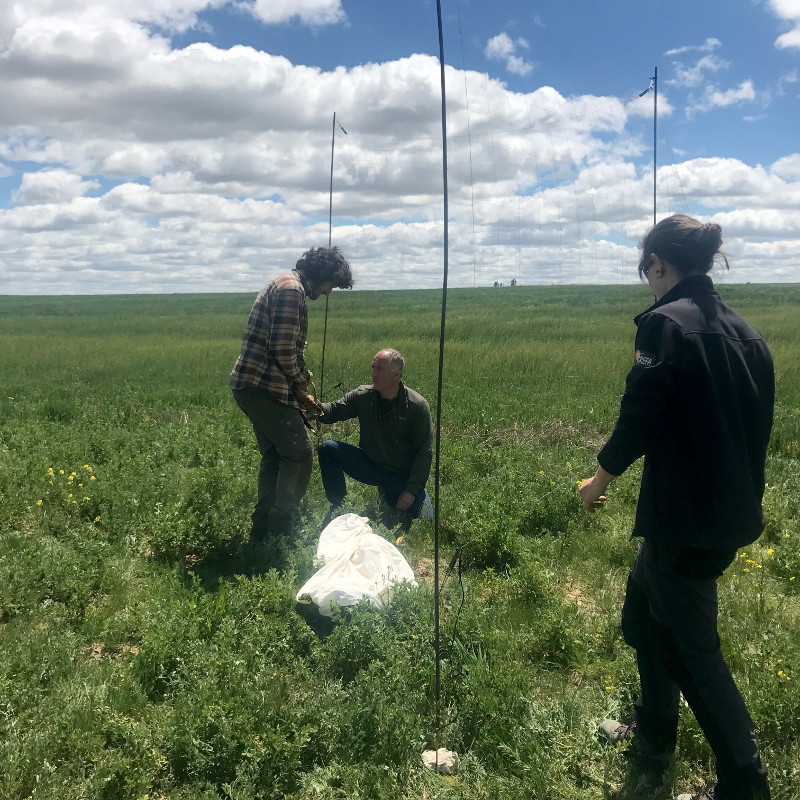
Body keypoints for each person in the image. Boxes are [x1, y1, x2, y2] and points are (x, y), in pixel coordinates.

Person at [578, 215, 774, 800]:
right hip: (722, 516)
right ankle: (656, 734)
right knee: (643, 618)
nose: (648, 283)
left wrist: (599, 478)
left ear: (660, 264)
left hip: (684, 522)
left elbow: (641, 415)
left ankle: (745, 782)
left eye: (646, 271)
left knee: (695, 655)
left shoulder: (665, 325)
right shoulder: (749, 334)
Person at [230, 246, 353, 539]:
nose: (328, 292)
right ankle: (281, 531)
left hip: (257, 385)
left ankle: (262, 530)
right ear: (322, 275)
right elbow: (284, 350)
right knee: (298, 454)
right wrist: (301, 380)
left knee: (276, 454)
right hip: (262, 386)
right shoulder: (292, 290)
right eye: (330, 285)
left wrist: (298, 392)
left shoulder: (285, 283)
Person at [316, 348, 433, 523]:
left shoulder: (417, 406)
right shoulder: (363, 396)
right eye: (373, 368)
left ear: (397, 374)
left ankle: (394, 494)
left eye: (379, 369)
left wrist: (411, 491)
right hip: (370, 465)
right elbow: (332, 411)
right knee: (328, 449)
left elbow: (424, 452)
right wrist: (312, 406)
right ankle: (339, 507)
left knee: (422, 518)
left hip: (400, 474)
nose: (373, 374)